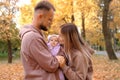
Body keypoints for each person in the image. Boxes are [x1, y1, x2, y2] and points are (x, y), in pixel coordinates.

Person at [19, 1, 65, 80]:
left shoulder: (37, 35)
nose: (50, 23)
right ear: (40, 16)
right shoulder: (33, 38)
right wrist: (58, 59)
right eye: (49, 19)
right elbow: (51, 64)